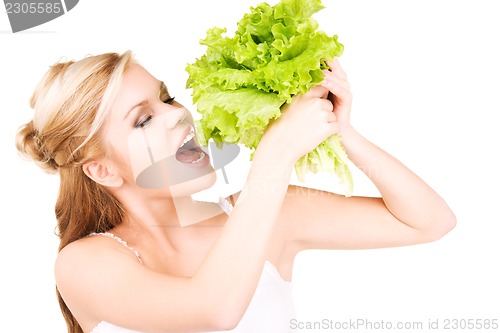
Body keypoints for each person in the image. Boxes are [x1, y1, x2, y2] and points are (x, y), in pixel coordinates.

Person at [15, 50, 456, 333]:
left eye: (166, 98)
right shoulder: (85, 264)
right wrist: (274, 158)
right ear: (103, 170)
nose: (177, 116)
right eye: (142, 120)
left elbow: (430, 221)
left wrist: (344, 133)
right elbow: (211, 312)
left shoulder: (267, 215)